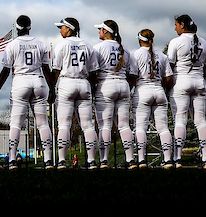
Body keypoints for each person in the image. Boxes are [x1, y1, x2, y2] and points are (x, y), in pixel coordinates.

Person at [0, 16, 53, 169]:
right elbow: (47, 69)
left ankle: (12, 159)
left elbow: (6, 70)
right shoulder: (40, 44)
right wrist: (52, 88)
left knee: (16, 124)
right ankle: (48, 160)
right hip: (38, 81)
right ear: (30, 27)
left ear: (17, 28)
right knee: (43, 124)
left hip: (20, 81)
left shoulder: (12, 45)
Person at [51, 18, 98, 169]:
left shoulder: (61, 45)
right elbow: (93, 72)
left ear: (69, 29)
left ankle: (62, 161)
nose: (60, 30)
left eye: (62, 27)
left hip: (66, 83)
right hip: (84, 83)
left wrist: (52, 88)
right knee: (88, 126)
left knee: (64, 125)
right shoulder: (88, 45)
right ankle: (91, 161)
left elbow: (56, 70)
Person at [165, 15, 206, 167]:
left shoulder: (176, 41)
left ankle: (177, 158)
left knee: (180, 120)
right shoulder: (205, 43)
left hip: (181, 81)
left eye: (176, 25)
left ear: (182, 25)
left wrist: (166, 86)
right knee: (200, 121)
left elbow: (169, 66)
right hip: (199, 81)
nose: (175, 28)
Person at [94, 20, 134, 169]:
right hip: (123, 85)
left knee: (105, 125)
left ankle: (103, 160)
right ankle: (131, 160)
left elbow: (94, 71)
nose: (99, 32)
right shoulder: (125, 49)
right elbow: (131, 73)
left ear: (106, 31)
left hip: (106, 85)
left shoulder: (98, 47)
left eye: (100, 30)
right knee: (124, 125)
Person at [130, 29, 173, 168]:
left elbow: (132, 76)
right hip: (159, 91)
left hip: (143, 91)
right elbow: (168, 78)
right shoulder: (162, 55)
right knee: (163, 128)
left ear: (139, 39)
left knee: (140, 128)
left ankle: (141, 160)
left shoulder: (135, 54)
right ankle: (168, 160)